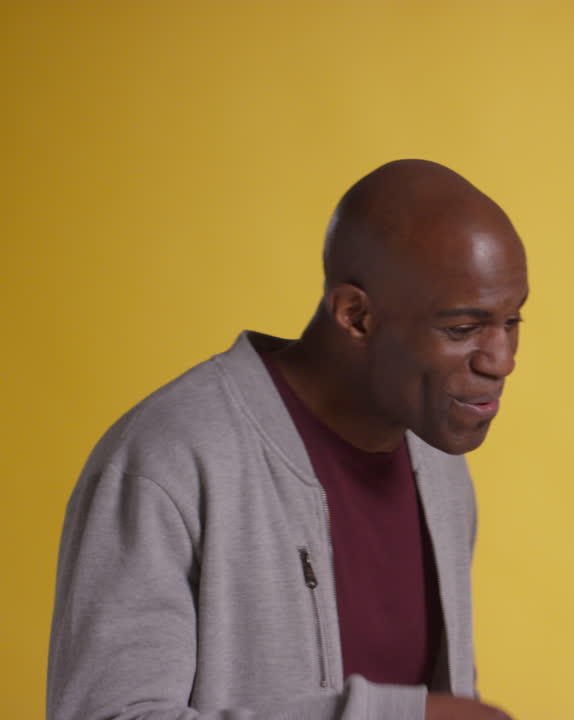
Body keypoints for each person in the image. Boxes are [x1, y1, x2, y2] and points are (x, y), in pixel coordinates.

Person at [47, 159, 527, 719]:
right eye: (463, 329)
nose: (503, 359)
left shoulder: (437, 461)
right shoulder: (167, 459)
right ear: (355, 316)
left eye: (513, 320)